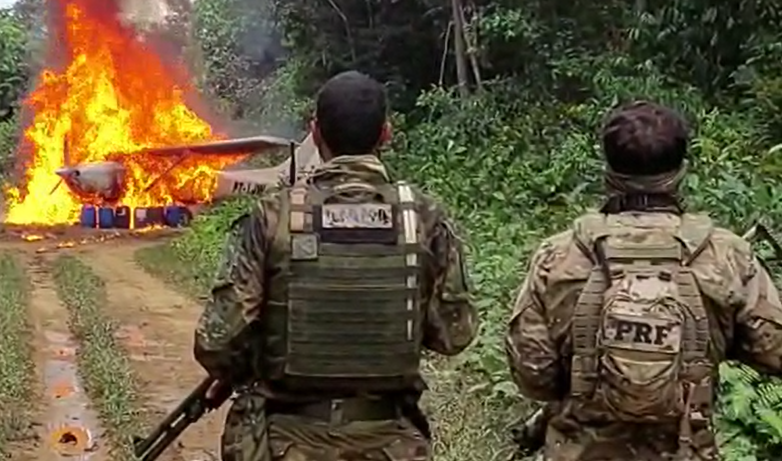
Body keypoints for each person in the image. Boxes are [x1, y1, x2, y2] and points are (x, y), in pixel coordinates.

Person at [193, 70, 479, 461]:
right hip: (390, 445)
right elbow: (453, 334)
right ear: (386, 134)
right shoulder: (423, 219)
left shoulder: (271, 218)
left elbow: (216, 343)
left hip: (285, 443)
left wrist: (253, 364)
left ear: (315, 132)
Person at [505, 100, 782, 460]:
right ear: (681, 171)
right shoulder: (726, 255)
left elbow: (534, 376)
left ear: (607, 170)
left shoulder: (558, 256)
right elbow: (775, 351)